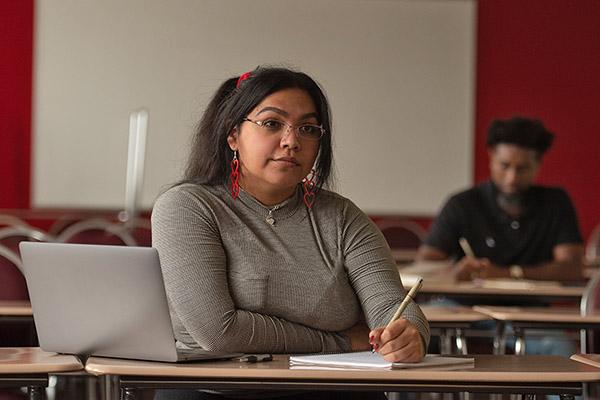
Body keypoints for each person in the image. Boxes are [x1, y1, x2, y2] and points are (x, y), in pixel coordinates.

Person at [152, 67, 430, 400]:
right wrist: (341, 342)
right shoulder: (187, 207)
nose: (291, 141)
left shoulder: (343, 217)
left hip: (334, 391)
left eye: (308, 129)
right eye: (272, 123)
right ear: (232, 134)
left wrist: (410, 334)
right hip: (214, 391)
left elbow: (392, 306)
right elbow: (219, 333)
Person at [416, 116, 584, 356]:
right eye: (505, 165)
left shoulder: (555, 203)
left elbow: (572, 267)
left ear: (538, 164)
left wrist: (508, 274)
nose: (512, 178)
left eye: (522, 168)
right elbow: (425, 264)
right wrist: (454, 273)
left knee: (559, 350)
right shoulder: (462, 204)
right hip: (462, 308)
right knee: (410, 336)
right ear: (491, 156)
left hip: (530, 313)